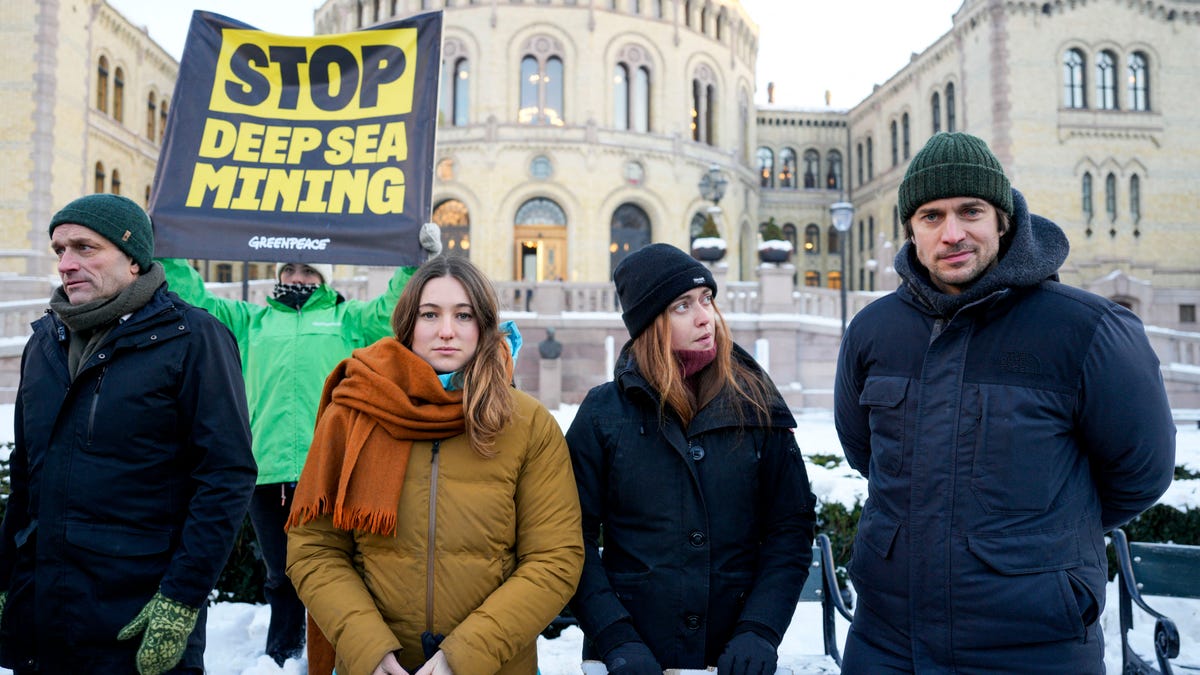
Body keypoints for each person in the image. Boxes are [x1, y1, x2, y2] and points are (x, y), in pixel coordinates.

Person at [834, 132, 1177, 673]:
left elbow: (1142, 471)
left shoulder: (1089, 330)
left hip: (1035, 646)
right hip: (887, 642)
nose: (952, 233)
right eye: (931, 216)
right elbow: (865, 453)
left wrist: (1036, 547)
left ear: (1003, 219)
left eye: (970, 211)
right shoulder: (873, 331)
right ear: (911, 230)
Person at [285, 255, 584, 675]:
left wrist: (463, 656)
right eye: (430, 314)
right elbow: (314, 549)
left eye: (463, 315)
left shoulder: (527, 423)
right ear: (408, 324)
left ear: (483, 325)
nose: (446, 331)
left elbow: (554, 558)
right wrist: (368, 649)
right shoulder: (353, 411)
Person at [157, 223, 441, 665]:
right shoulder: (250, 321)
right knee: (281, 573)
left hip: (331, 467)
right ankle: (283, 656)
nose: (297, 278)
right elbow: (197, 301)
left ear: (323, 279)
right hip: (266, 469)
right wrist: (169, 250)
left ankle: (341, 654)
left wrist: (414, 259)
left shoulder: (347, 320)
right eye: (290, 270)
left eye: (308, 272)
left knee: (338, 571)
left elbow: (394, 309)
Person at [0, 194, 257, 674]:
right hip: (44, 618)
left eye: (85, 248)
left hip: (137, 613)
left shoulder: (194, 338)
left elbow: (226, 477)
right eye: (60, 250)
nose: (67, 264)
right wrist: (7, 582)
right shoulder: (44, 344)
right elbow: (26, 479)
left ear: (134, 258)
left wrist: (181, 598)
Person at [566, 243, 816, 675]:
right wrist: (614, 636)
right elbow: (570, 537)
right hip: (631, 657)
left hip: (732, 655)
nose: (705, 317)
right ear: (649, 322)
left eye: (707, 300)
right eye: (682, 305)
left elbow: (790, 529)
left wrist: (760, 629)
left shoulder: (756, 404)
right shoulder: (603, 413)